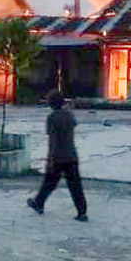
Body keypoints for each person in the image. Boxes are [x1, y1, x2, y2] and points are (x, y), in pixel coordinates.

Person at [27, 90, 87, 221]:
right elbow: (73, 124)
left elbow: (52, 138)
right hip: (71, 155)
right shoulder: (69, 116)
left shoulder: (51, 118)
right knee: (75, 186)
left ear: (51, 104)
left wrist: (49, 159)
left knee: (49, 182)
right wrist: (68, 110)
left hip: (57, 156)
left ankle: (39, 203)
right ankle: (82, 212)